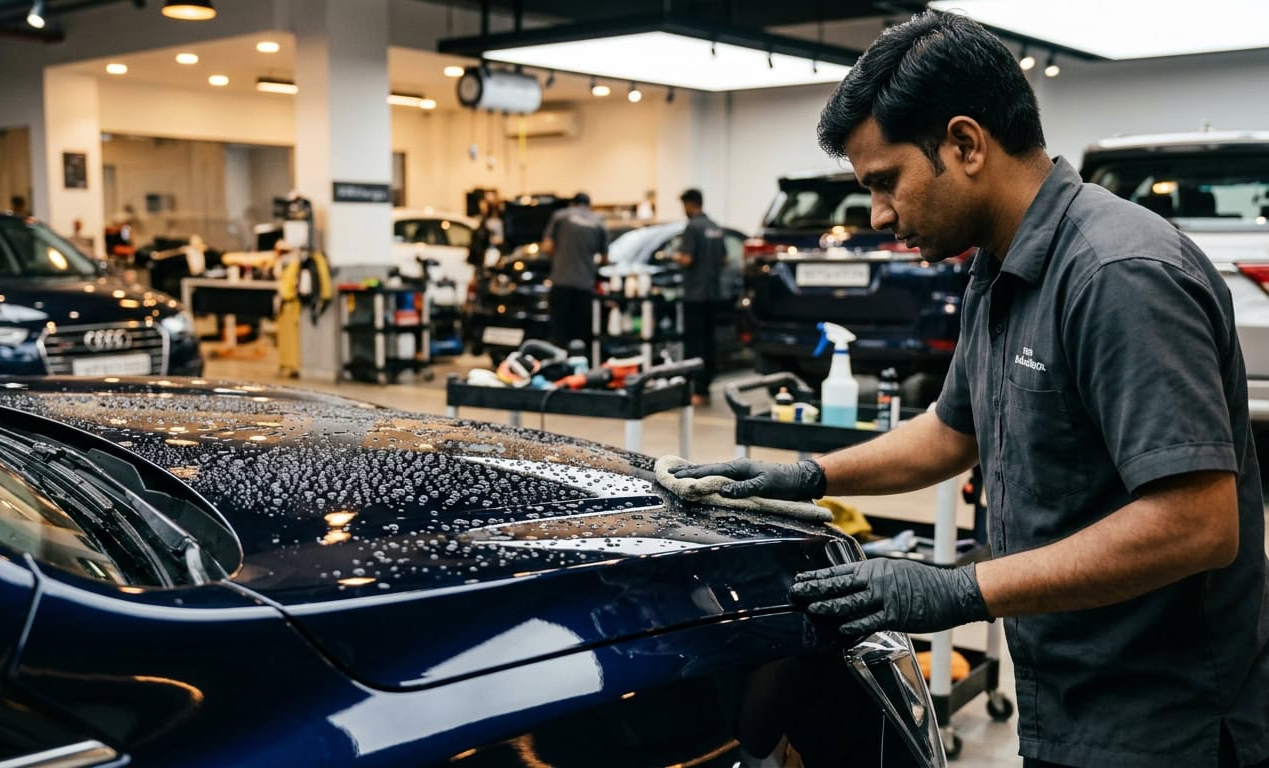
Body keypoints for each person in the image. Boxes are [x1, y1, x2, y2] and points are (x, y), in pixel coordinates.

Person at [675, 11, 1269, 768]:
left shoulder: (1117, 275)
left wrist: (957, 591)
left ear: (964, 143)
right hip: (1068, 698)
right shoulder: (999, 267)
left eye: (886, 183)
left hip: (1167, 728)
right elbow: (951, 431)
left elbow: (1197, 523)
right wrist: (806, 476)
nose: (880, 216)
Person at [671, 188, 726, 405]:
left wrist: (673, 255)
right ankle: (706, 385)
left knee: (694, 343)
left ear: (689, 204)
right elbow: (724, 259)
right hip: (713, 293)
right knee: (709, 340)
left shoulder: (693, 227)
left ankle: (696, 388)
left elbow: (686, 259)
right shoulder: (715, 226)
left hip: (694, 294)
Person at [541, 192, 608, 349]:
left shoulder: (560, 216)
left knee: (559, 333)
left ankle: (559, 368)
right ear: (589, 205)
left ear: (572, 203)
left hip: (561, 283)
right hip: (585, 286)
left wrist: (558, 259)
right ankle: (580, 368)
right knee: (582, 334)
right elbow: (604, 259)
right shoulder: (598, 222)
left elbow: (547, 246)